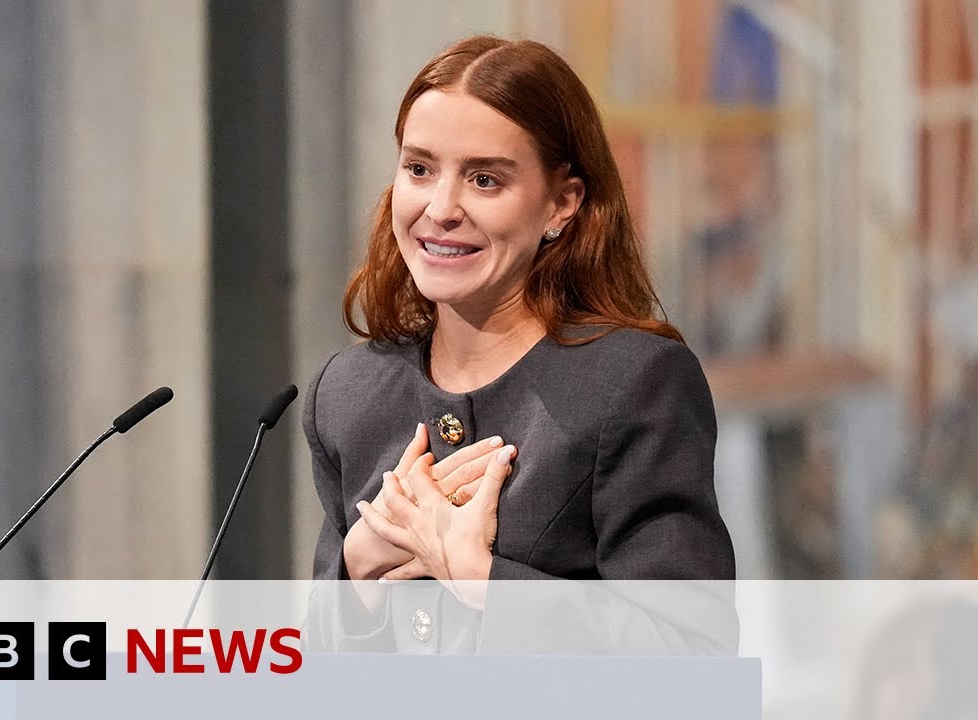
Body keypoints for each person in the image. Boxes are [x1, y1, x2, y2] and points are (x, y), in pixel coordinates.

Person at [302, 35, 736, 653]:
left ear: (562, 203)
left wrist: (481, 578)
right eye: (419, 169)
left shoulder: (634, 383)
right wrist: (359, 573)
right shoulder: (348, 394)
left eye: (484, 179)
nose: (441, 208)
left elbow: (693, 657)